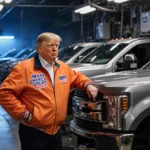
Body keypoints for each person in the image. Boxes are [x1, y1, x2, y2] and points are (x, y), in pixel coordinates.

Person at [0, 32, 98, 150]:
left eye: (57, 46)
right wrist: (24, 114)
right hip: (33, 132)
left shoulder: (62, 67)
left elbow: (77, 77)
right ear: (39, 48)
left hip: (55, 131)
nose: (55, 49)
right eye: (51, 45)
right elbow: (4, 93)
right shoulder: (24, 69)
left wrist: (88, 85)